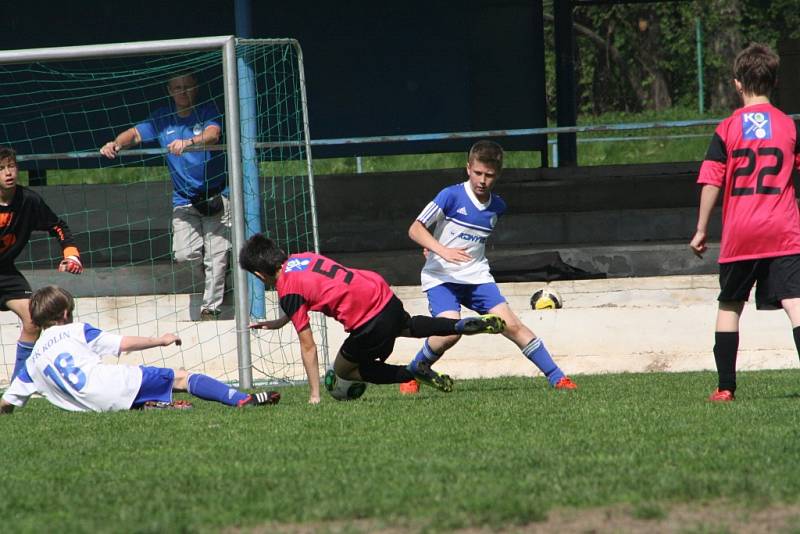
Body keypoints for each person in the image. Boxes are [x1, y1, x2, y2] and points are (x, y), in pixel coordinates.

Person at [238, 233, 506, 404]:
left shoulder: (288, 290)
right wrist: (281, 321)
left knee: (344, 370)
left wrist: (315, 396)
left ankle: (410, 373)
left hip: (368, 321)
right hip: (381, 293)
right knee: (407, 325)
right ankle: (458, 325)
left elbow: (308, 345)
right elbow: (310, 290)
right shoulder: (301, 259)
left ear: (259, 275)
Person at [401, 140, 577, 394]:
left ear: (498, 174)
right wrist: (440, 249)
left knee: (511, 325)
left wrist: (439, 245)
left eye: (489, 175)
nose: (482, 180)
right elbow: (415, 229)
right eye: (478, 173)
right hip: (442, 278)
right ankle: (414, 371)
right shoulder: (450, 195)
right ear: (468, 168)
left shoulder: (498, 207)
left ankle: (558, 378)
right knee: (450, 332)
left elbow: (468, 237)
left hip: (477, 278)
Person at [689, 43, 800, 402]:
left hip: (741, 233)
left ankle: (725, 387)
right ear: (774, 82)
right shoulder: (788, 126)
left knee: (729, 305)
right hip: (783, 229)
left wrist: (702, 228)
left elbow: (711, 180)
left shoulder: (727, 129)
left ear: (738, 84)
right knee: (796, 302)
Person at [0, 285, 280, 413]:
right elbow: (123, 344)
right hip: (112, 386)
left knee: (137, 389)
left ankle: (153, 405)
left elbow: (8, 401)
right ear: (64, 314)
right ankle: (242, 399)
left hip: (93, 408)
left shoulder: (33, 360)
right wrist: (161, 339)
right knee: (181, 377)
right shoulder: (77, 330)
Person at [100, 71, 229, 320]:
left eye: (187, 86)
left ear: (196, 88)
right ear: (170, 91)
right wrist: (116, 143)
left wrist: (189, 142)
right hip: (184, 199)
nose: (183, 92)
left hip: (217, 194)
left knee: (217, 255)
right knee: (184, 254)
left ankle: (210, 308)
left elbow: (213, 133)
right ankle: (214, 274)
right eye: (177, 88)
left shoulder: (207, 111)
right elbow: (135, 134)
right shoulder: (162, 118)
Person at [0, 146, 83, 383]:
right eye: (1, 168)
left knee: (33, 319)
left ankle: (18, 385)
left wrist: (71, 254)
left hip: (5, 273)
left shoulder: (29, 201)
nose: (8, 173)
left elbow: (58, 226)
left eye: (12, 166)